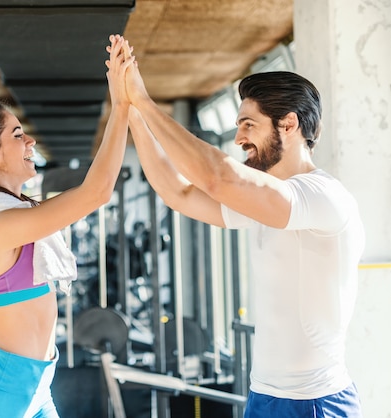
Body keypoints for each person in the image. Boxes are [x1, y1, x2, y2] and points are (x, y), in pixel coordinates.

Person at [117, 41, 365, 417]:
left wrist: (146, 101)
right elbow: (178, 192)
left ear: (290, 123)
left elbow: (219, 178)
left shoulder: (322, 197)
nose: (238, 139)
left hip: (314, 402)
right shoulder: (266, 204)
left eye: (249, 124)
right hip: (263, 395)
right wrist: (133, 109)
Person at [0, 34, 132, 418]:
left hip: (35, 388)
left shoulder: (16, 214)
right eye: (18, 135)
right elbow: (97, 192)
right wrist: (120, 105)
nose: (30, 141)